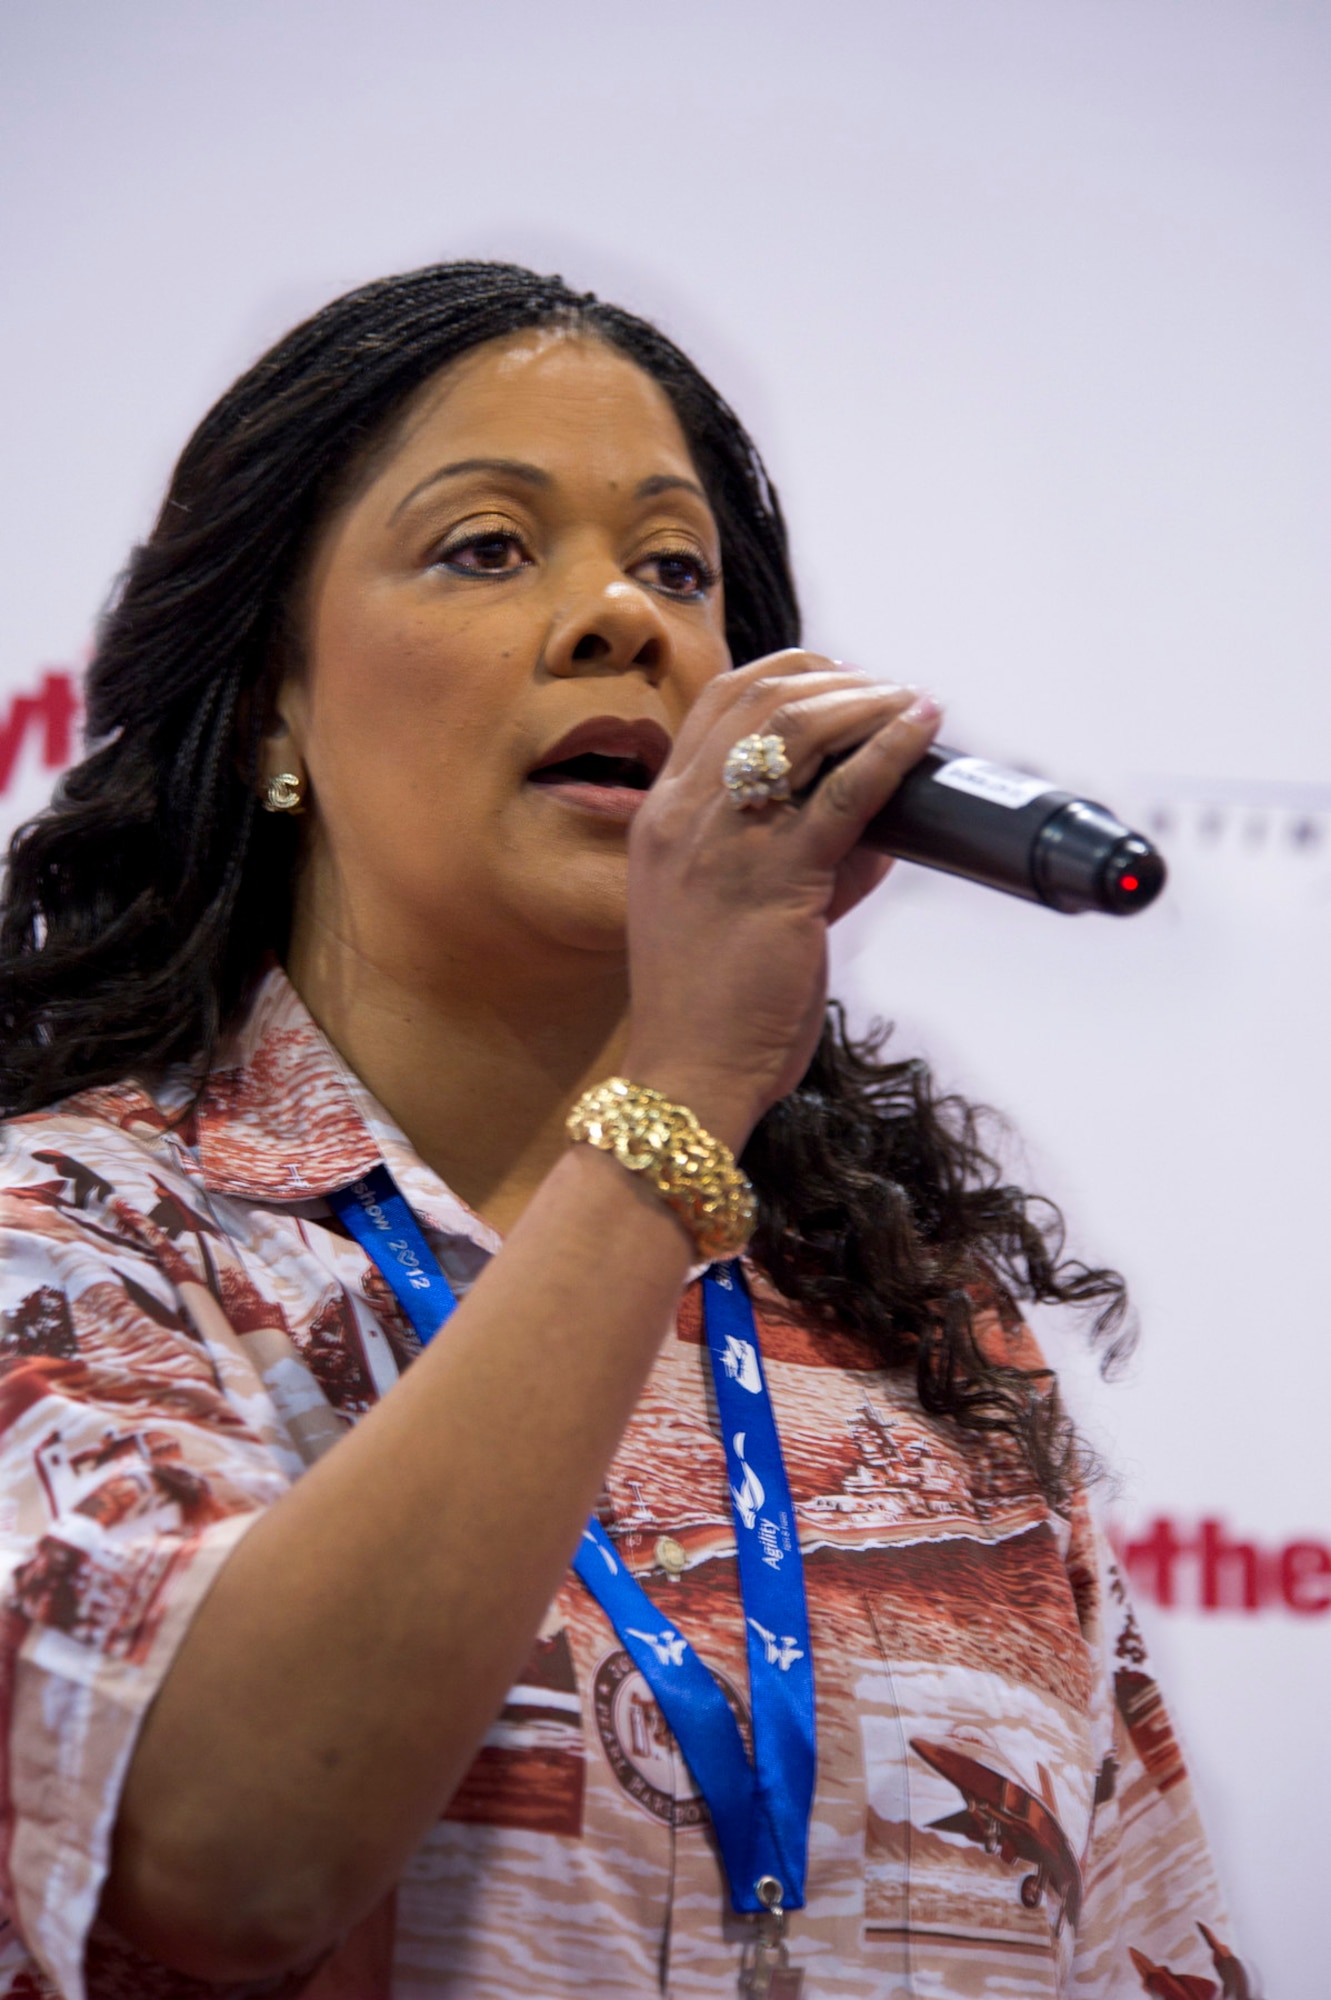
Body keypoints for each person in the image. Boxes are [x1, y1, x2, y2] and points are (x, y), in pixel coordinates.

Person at [0, 263, 1247, 2000]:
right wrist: (671, 1101)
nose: (621, 621)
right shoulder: (80, 1240)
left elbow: (1142, 1948)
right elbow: (232, 1855)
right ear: (272, 702)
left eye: (677, 569)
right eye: (486, 548)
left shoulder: (908, 1330)